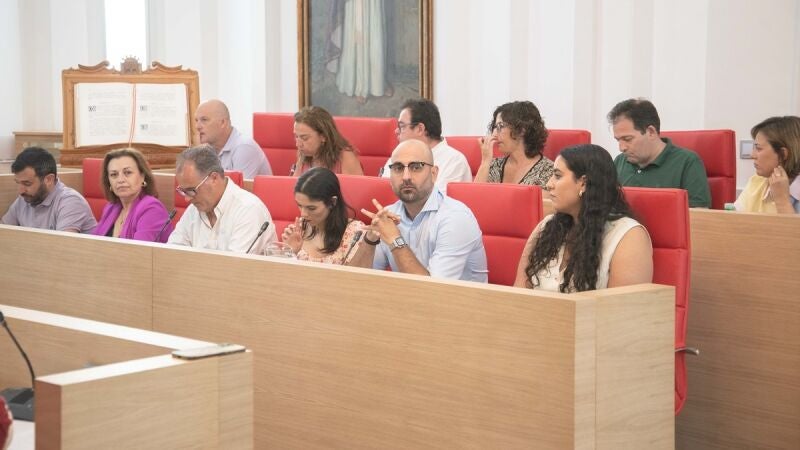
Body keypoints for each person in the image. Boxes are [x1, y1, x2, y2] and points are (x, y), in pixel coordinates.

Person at [514, 144, 653, 292]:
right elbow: (519, 292)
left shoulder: (628, 235)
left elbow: (623, 305)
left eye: (558, 176)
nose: (548, 184)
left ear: (584, 183)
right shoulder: (546, 226)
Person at [350, 139, 488, 282]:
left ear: (434, 173)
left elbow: (432, 290)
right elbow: (354, 282)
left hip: (454, 297)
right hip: (407, 296)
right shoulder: (388, 216)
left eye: (416, 167)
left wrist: (395, 240)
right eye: (398, 168)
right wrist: (370, 240)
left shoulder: (456, 218)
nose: (406, 177)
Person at [168, 145, 276, 253]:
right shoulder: (194, 209)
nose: (187, 199)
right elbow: (172, 253)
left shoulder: (249, 210)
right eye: (183, 191)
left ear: (214, 178)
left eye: (191, 190)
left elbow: (233, 263)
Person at [608, 98, 711, 208]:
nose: (621, 148)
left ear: (651, 132)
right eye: (618, 140)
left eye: (628, 139)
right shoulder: (619, 162)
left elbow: (699, 214)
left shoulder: (687, 162)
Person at [379, 98, 472, 193]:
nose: (396, 131)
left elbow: (438, 200)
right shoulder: (398, 156)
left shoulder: (454, 161)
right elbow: (382, 192)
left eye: (402, 126)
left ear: (420, 129)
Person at [281, 167, 366, 264]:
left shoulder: (355, 231)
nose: (303, 214)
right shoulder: (298, 229)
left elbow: (357, 273)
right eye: (299, 205)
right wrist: (290, 252)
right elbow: (281, 271)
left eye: (311, 208)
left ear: (332, 202)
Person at [1, 147, 96, 233]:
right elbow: (3, 233)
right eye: (18, 183)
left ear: (49, 180)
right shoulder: (25, 199)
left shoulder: (71, 201)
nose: (20, 191)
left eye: (27, 183)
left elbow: (63, 245)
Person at [93, 148, 174, 242]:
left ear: (142, 176)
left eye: (128, 172)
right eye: (114, 174)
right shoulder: (111, 207)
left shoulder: (152, 209)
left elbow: (139, 250)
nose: (120, 180)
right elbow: (92, 243)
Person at [474, 101, 554, 190]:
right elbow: (474, 195)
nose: (494, 134)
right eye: (495, 127)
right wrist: (485, 162)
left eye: (501, 126)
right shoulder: (493, 165)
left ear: (522, 130)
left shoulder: (548, 170)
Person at [734, 116, 800, 214]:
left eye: (759, 148)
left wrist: (782, 201)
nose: (752, 155)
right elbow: (733, 220)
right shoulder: (757, 181)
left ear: (783, 154)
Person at [195, 99, 272, 179]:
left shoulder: (244, 147)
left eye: (204, 120)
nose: (197, 126)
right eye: (196, 120)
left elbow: (239, 187)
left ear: (223, 123)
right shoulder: (208, 149)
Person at [292, 106, 363, 176]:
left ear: (324, 136)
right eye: (296, 137)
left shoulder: (345, 157)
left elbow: (356, 184)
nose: (298, 144)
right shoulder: (304, 155)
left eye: (305, 138)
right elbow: (293, 183)